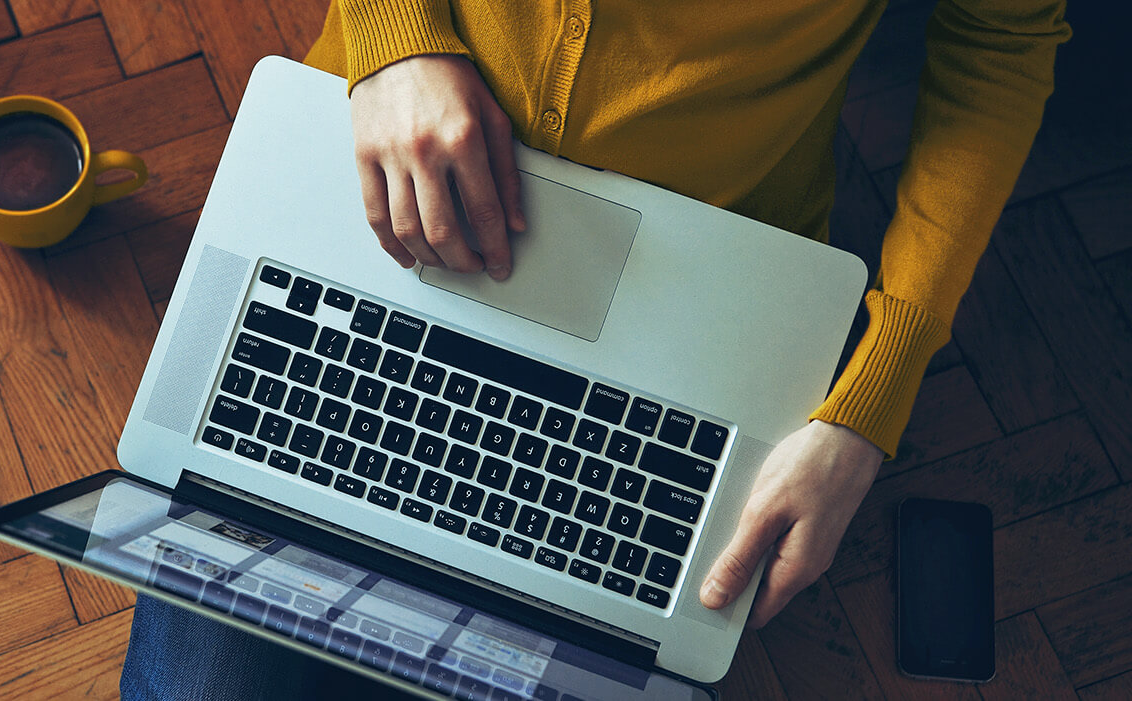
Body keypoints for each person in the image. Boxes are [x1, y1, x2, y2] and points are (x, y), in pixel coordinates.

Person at [122, 1, 1068, 697]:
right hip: (384, 163)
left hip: (703, 264)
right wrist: (392, 35)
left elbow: (1002, 38)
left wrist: (875, 390)